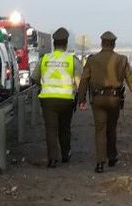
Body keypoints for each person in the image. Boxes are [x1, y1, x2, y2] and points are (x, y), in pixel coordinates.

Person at [76, 31, 132, 173]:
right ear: (114, 44)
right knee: (111, 129)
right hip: (114, 100)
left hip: (98, 99)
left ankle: (100, 163)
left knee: (100, 130)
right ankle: (112, 157)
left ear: (101, 43)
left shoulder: (92, 60)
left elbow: (84, 80)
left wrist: (81, 100)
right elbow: (130, 80)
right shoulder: (122, 60)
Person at [30, 27, 81, 168]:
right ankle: (65, 154)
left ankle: (52, 159)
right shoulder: (72, 60)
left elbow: (34, 78)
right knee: (65, 128)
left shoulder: (44, 59)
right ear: (66, 43)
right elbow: (79, 82)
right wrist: (79, 96)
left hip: (48, 100)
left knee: (51, 130)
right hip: (66, 100)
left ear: (54, 43)